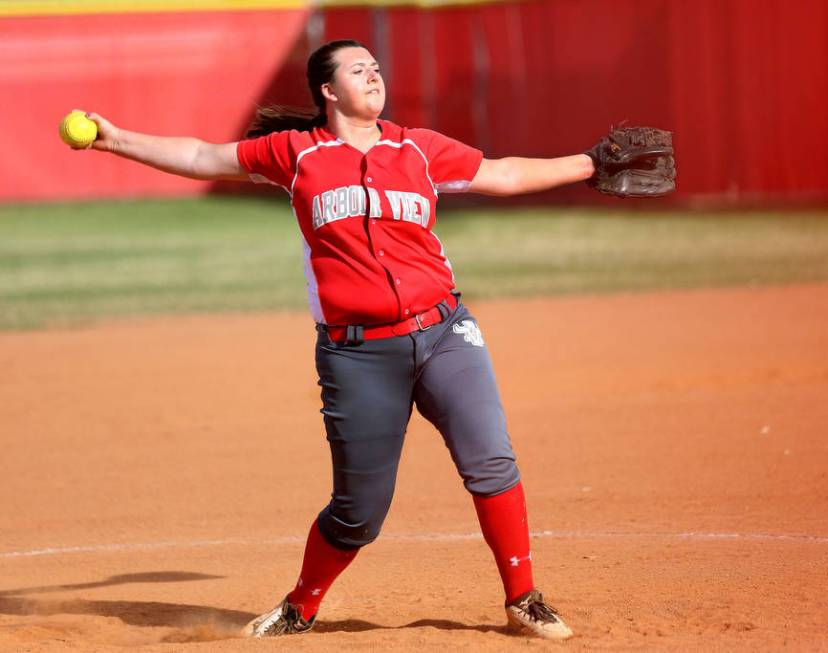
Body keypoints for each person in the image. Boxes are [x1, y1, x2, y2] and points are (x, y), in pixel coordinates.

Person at [80, 39, 595, 641]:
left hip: (445, 333)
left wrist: (590, 163)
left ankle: (523, 597)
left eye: (377, 66)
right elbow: (201, 154)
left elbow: (502, 174)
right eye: (359, 70)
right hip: (358, 355)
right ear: (327, 91)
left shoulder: (418, 148)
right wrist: (115, 139)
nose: (374, 75)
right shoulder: (296, 154)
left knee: (491, 459)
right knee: (359, 511)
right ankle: (301, 604)